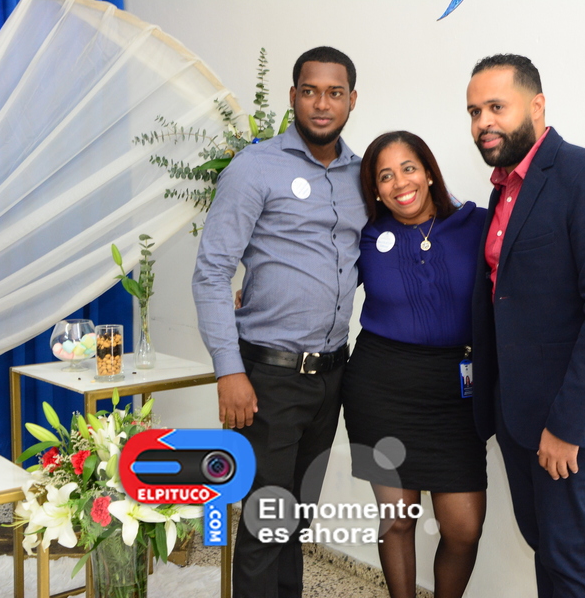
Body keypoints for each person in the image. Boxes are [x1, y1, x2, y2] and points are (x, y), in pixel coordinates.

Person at [466, 54, 585, 598]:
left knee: (568, 559)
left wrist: (568, 427)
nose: (483, 122)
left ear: (537, 106)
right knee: (545, 546)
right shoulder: (504, 189)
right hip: (517, 414)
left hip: (569, 421)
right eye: (474, 112)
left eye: (496, 107)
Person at [192, 46, 365, 597]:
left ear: (352, 100)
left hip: (332, 375)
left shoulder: (364, 176)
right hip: (267, 377)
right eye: (310, 91)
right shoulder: (254, 167)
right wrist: (229, 371)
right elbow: (211, 273)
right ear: (293, 96)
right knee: (265, 523)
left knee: (296, 519)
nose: (322, 104)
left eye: (334, 93)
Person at [341, 131, 487, 598]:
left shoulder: (477, 224)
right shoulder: (367, 235)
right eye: (385, 176)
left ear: (429, 172)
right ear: (375, 189)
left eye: (408, 168)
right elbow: (321, 277)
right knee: (398, 520)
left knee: (463, 528)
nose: (400, 183)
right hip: (381, 388)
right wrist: (254, 290)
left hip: (455, 395)